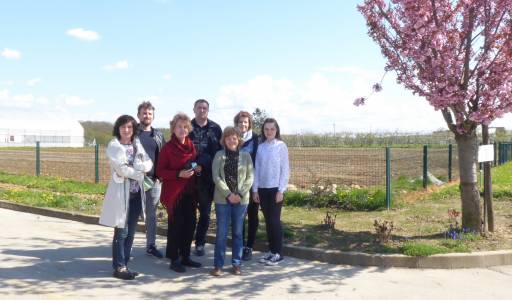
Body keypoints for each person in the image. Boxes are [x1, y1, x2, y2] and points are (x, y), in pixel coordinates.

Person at [99, 115, 153, 280]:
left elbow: (149, 163)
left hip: (136, 195)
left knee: (130, 232)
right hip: (122, 195)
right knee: (121, 232)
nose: (126, 130)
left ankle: (125, 264)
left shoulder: (136, 144)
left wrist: (140, 167)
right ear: (118, 128)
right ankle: (119, 267)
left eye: (129, 127)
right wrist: (139, 171)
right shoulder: (114, 145)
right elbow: (121, 169)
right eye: (123, 127)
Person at [157, 113, 202, 273]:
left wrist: (197, 169)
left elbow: (194, 162)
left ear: (189, 129)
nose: (182, 129)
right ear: (173, 129)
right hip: (174, 195)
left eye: (185, 127)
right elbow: (160, 171)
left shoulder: (191, 145)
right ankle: (174, 258)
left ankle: (185, 256)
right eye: (179, 127)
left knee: (190, 225)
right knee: (176, 227)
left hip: (190, 192)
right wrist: (178, 174)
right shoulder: (167, 148)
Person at [210, 126, 254, 276]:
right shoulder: (219, 155)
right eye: (228, 138)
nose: (231, 140)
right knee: (221, 233)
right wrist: (229, 194)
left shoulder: (246, 156)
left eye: (234, 138)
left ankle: (236, 264)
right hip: (223, 199)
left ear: (238, 140)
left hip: (241, 201)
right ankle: (218, 265)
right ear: (224, 140)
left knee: (237, 233)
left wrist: (240, 194)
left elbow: (250, 177)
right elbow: (216, 177)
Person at [252, 118, 290, 266]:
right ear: (263, 131)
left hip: (275, 189)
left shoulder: (281, 146)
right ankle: (271, 251)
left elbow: (285, 169)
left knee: (274, 221)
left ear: (276, 130)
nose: (269, 132)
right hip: (262, 189)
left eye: (272, 129)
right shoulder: (261, 147)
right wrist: (255, 190)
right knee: (268, 221)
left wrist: (281, 190)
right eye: (266, 129)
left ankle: (279, 253)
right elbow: (257, 169)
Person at [188, 99, 222, 256]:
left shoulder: (216, 128)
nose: (202, 110)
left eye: (205, 108)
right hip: (189, 177)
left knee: (206, 213)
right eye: (199, 108)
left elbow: (221, 153)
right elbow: (183, 152)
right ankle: (185, 242)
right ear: (194, 109)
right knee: (188, 213)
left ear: (208, 110)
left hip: (208, 179)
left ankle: (200, 243)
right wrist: (195, 167)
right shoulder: (187, 127)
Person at [136, 101, 165, 259]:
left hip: (154, 181)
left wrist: (160, 178)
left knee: (151, 214)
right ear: (138, 115)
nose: (146, 116)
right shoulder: (132, 133)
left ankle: (151, 245)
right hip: (135, 181)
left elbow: (163, 157)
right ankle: (125, 244)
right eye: (144, 113)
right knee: (131, 213)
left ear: (153, 116)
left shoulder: (158, 135)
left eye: (149, 113)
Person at [234, 111, 259, 261]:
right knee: (239, 217)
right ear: (236, 123)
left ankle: (249, 246)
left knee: (252, 215)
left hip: (252, 183)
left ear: (249, 124)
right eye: (240, 122)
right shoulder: (232, 137)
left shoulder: (256, 139)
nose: (243, 124)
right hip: (235, 184)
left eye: (246, 122)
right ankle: (240, 245)